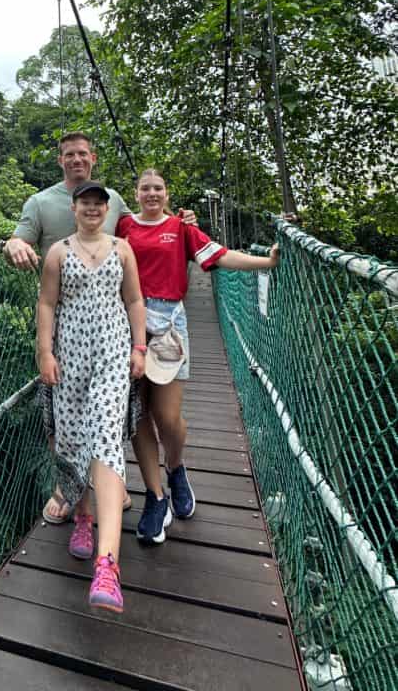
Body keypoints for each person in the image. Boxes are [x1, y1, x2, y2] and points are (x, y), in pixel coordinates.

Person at [3, 132, 197, 523]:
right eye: (69, 154)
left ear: (93, 158)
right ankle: (68, 484)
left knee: (117, 408)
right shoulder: (39, 203)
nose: (76, 160)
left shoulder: (113, 199)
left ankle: (118, 478)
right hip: (63, 323)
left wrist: (181, 225)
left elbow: (144, 229)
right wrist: (13, 243)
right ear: (61, 160)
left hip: (112, 324)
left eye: (83, 154)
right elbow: (19, 239)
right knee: (58, 410)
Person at [116, 168, 280, 544]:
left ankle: (175, 468)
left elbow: (221, 257)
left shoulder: (182, 229)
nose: (152, 194)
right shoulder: (123, 225)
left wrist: (265, 263)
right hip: (124, 320)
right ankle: (155, 498)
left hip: (169, 325)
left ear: (167, 193)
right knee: (138, 415)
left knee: (168, 417)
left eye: (158, 188)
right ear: (136, 193)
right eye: (145, 188)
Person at [37, 180, 147, 613]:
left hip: (112, 355)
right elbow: (47, 304)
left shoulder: (122, 248)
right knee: (71, 440)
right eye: (85, 202)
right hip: (70, 357)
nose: (93, 208)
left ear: (107, 209)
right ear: (74, 207)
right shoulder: (58, 252)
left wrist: (139, 347)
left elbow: (134, 299)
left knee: (104, 439)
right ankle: (81, 517)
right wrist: (45, 352)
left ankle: (107, 564)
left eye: (99, 203)